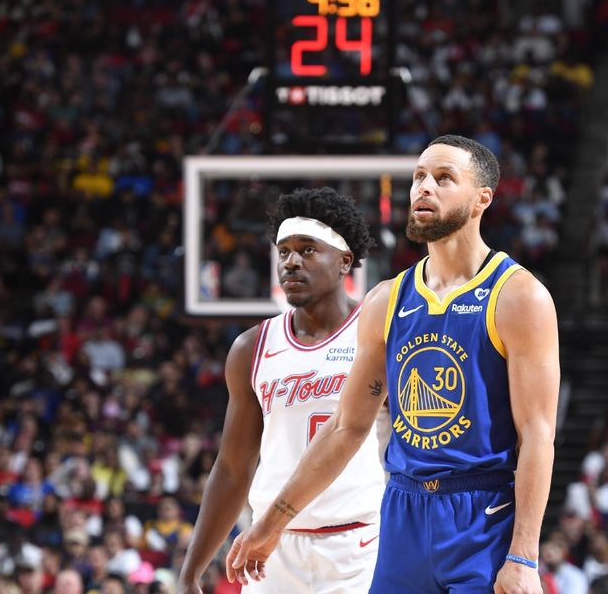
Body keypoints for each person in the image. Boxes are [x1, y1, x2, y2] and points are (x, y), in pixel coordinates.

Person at [229, 135, 560, 594]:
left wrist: (524, 555)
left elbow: (538, 436)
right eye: (419, 177)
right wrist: (271, 523)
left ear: (482, 198)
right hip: (402, 512)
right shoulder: (387, 298)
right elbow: (347, 426)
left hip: (482, 515)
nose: (424, 187)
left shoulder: (520, 296)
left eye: (444, 178)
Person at [178, 187, 388, 593]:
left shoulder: (376, 336)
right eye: (284, 251)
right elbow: (233, 467)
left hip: (358, 545)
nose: (291, 262)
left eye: (308, 250)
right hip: (270, 550)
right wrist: (191, 571)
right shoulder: (251, 348)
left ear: (345, 261)